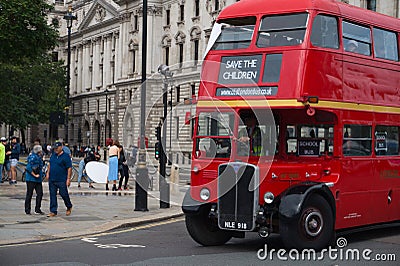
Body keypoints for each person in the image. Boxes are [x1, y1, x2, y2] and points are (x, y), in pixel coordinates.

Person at [46, 141, 73, 217]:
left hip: (61, 179)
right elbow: (50, 164)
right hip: (52, 178)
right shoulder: (53, 155)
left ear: (61, 147)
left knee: (63, 194)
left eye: (57, 148)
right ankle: (53, 210)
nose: (56, 149)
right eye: (55, 148)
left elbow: (69, 168)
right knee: (52, 194)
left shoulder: (66, 156)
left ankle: (69, 206)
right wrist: (48, 173)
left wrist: (68, 179)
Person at [24, 145, 45, 215]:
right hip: (31, 179)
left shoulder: (39, 157)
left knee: (40, 193)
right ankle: (27, 209)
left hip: (38, 179)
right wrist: (34, 175)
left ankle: (37, 208)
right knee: (29, 194)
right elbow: (29, 167)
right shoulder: (33, 157)